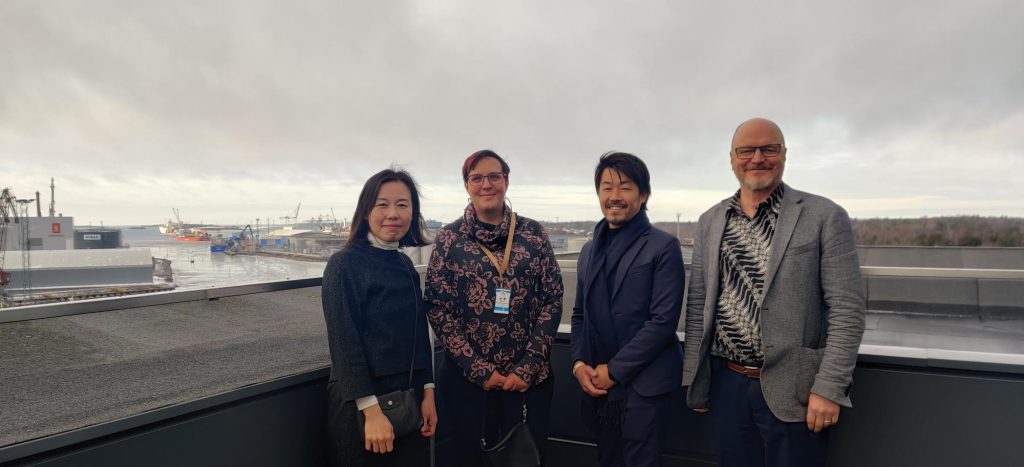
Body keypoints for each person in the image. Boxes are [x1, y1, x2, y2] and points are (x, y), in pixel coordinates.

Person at [682, 118, 866, 467]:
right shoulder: (711, 221)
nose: (757, 158)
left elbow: (847, 310)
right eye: (746, 150)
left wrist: (829, 388)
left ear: (784, 154)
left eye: (769, 149)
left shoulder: (824, 216)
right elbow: (698, 306)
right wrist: (697, 380)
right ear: (732, 158)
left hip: (795, 391)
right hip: (727, 385)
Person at [425, 149, 563, 467]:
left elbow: (552, 298)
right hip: (468, 382)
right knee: (471, 459)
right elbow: (437, 306)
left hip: (528, 382)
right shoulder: (449, 238)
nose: (486, 184)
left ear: (506, 181)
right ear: (467, 185)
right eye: (477, 178)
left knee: (526, 457)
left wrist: (527, 367)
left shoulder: (534, 235)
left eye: (494, 176)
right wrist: (480, 370)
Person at [570, 152, 685, 467]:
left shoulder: (662, 246)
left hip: (644, 387)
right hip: (598, 385)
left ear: (643, 194)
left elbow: (662, 323)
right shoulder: (589, 251)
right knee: (607, 458)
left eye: (625, 187)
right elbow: (580, 314)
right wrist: (579, 364)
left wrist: (614, 371)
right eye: (606, 188)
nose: (614, 197)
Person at [321, 168, 437, 467]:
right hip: (362, 407)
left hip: (407, 402)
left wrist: (428, 392)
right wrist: (371, 411)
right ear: (366, 211)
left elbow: (417, 335)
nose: (393, 213)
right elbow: (344, 343)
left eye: (402, 204)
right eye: (382, 204)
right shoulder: (344, 264)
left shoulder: (403, 263)